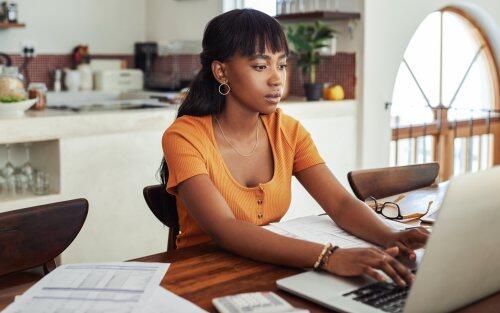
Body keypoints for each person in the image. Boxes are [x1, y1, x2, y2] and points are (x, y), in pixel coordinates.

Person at [161, 8, 429, 287]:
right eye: (261, 66)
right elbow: (225, 229)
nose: (277, 79)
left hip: (269, 267)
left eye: (282, 65)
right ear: (221, 72)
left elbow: (339, 203)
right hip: (200, 275)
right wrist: (329, 256)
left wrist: (391, 237)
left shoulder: (288, 131)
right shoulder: (184, 136)